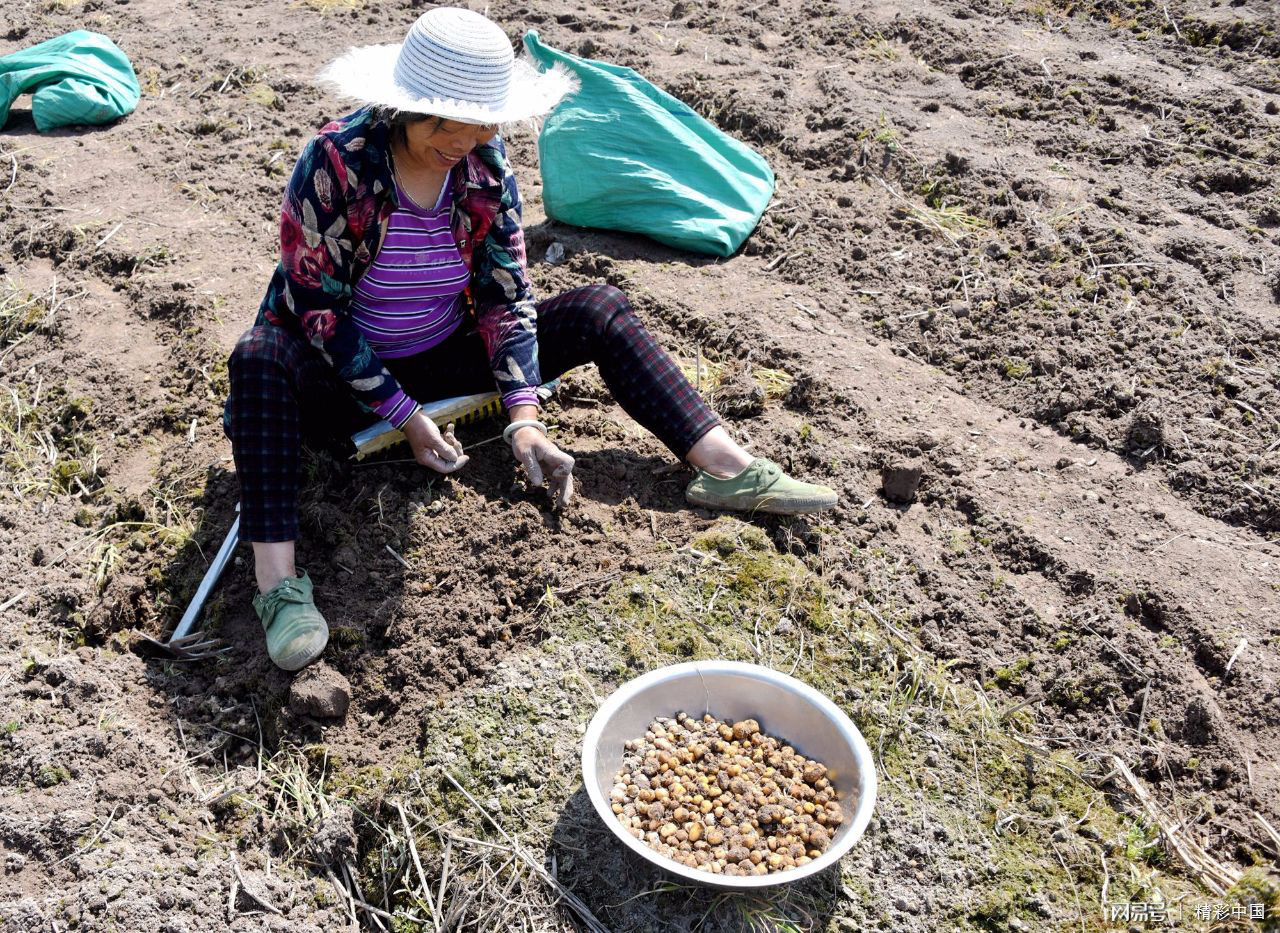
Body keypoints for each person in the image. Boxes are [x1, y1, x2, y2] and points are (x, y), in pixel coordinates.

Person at [223, 7, 838, 671]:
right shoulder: (336, 163)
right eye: (444, 124)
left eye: (481, 122)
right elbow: (317, 309)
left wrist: (524, 417)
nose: (463, 140)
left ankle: (724, 466)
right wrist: (404, 416)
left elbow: (506, 294)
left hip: (445, 356)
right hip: (341, 379)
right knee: (258, 355)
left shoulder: (483, 164)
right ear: (404, 108)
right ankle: (278, 585)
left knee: (599, 308)